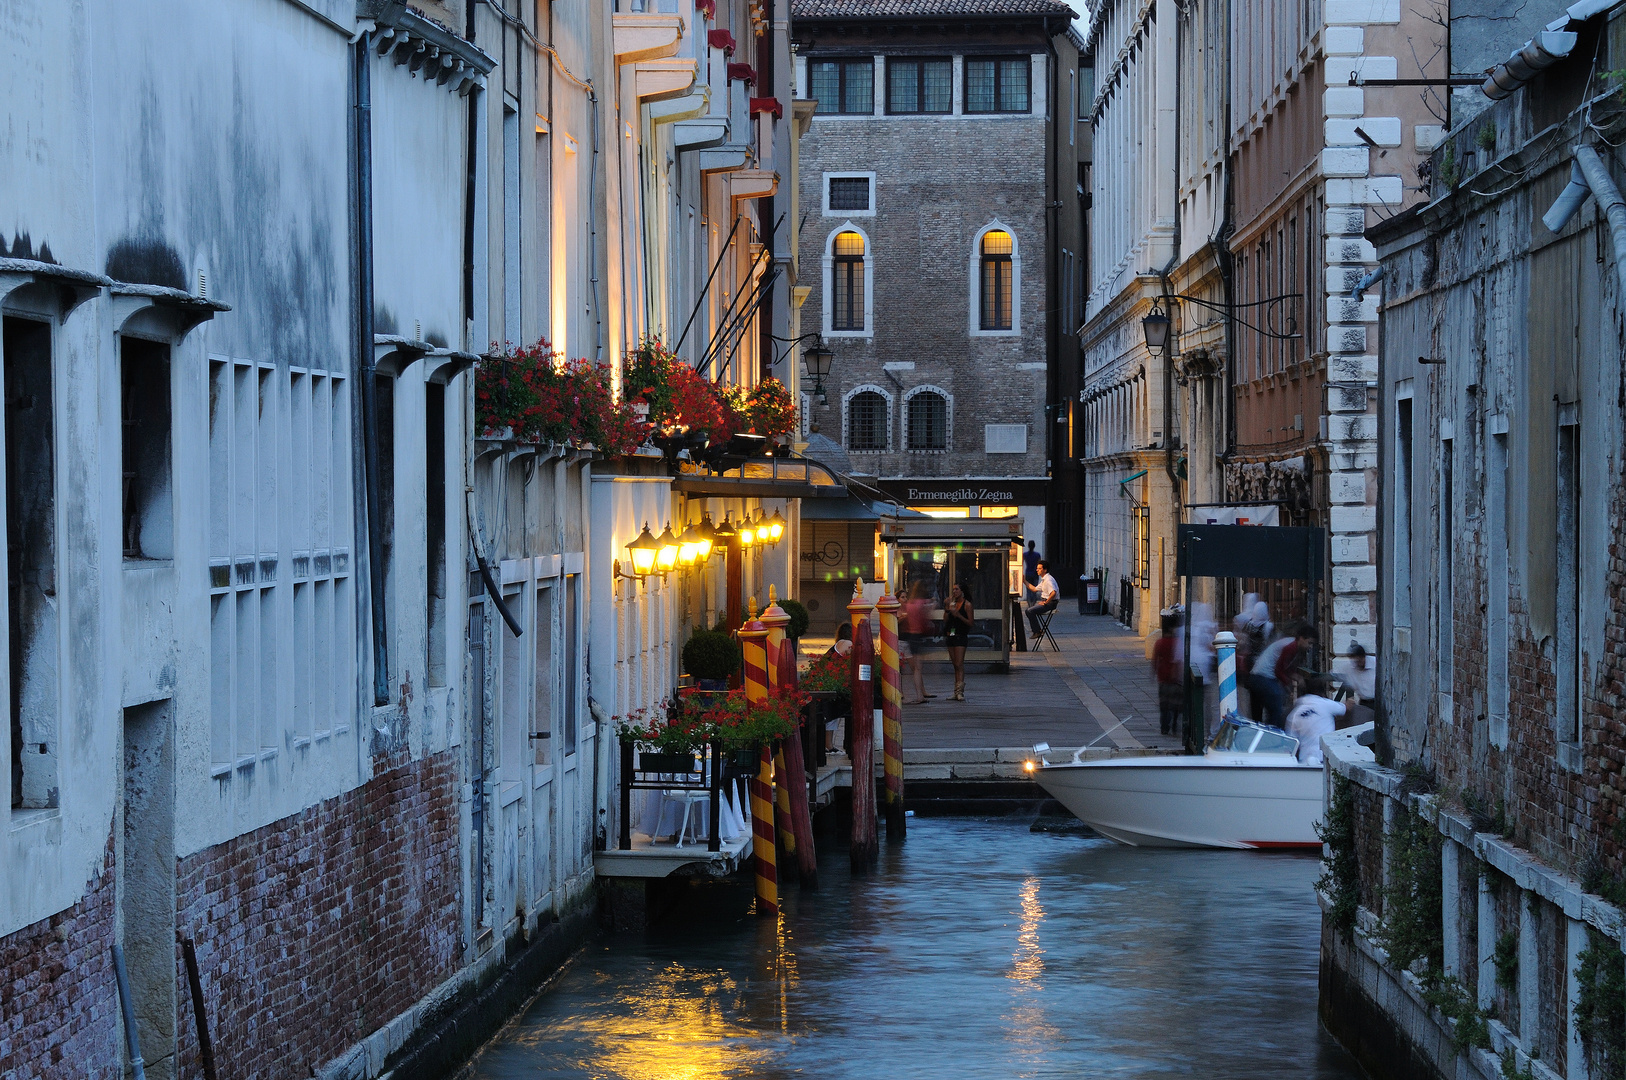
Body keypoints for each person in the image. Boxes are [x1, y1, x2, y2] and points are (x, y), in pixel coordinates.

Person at [1285, 674, 1346, 766]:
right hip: (1325, 759)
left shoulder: (1294, 714)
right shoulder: (1325, 704)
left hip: (1304, 761)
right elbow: (1344, 709)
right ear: (1322, 693)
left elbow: (1291, 742)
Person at [1152, 613, 1184, 737]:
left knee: (1164, 704)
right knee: (1176, 704)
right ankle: (1175, 724)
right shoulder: (1177, 642)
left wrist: (1153, 673)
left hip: (1163, 677)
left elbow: (1155, 660)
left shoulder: (1159, 643)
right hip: (1175, 678)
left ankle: (1164, 727)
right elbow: (1180, 660)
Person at [943, 583, 974, 701]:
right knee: (955, 664)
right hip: (951, 634)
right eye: (953, 590)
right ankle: (956, 691)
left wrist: (959, 615)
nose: (954, 592)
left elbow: (970, 622)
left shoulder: (967, 605)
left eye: (957, 589)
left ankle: (960, 691)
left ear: (962, 591)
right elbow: (945, 620)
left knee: (959, 663)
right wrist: (947, 609)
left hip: (961, 635)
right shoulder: (952, 603)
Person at [1026, 560, 1059, 643]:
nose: (1037, 570)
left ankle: (1037, 631)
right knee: (1028, 610)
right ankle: (1037, 631)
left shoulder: (1048, 580)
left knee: (1030, 611)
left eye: (1039, 568)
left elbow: (1053, 593)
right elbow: (1034, 589)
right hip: (1047, 602)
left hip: (1050, 603)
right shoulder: (1044, 580)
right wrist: (1024, 581)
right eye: (1037, 568)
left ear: (1045, 570)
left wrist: (1046, 602)